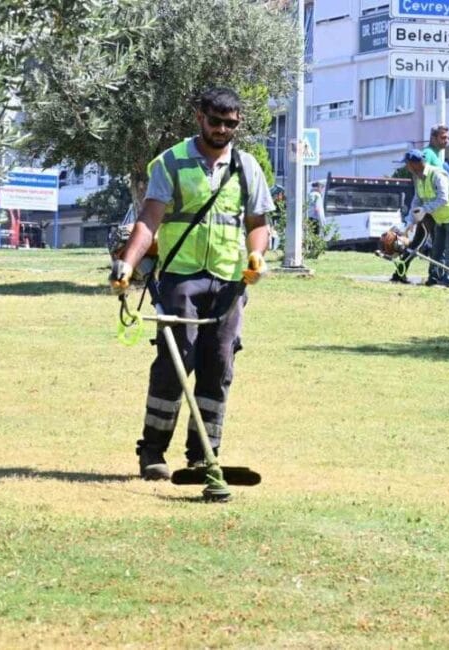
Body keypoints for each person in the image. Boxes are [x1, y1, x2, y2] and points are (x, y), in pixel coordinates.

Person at [109, 86, 275, 480]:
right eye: (215, 121)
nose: (221, 129)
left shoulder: (247, 167)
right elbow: (149, 221)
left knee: (218, 366)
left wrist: (257, 256)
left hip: (230, 282)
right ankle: (152, 452)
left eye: (230, 124)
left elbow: (258, 225)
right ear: (200, 117)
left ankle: (204, 455)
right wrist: (127, 264)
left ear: (239, 124)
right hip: (181, 278)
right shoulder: (172, 162)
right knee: (174, 361)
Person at [400, 149, 449, 286]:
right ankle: (434, 278)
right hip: (441, 219)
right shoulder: (418, 178)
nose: (406, 167)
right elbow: (417, 200)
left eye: (407, 164)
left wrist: (425, 210)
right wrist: (410, 221)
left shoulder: (437, 174)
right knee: (436, 250)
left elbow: (443, 198)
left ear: (415, 164)